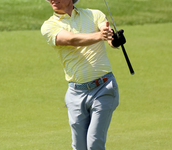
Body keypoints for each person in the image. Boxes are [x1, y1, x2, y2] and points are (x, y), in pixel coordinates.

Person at [41, 0, 126, 149]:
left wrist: (114, 40)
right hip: (75, 93)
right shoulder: (49, 26)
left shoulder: (94, 14)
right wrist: (100, 36)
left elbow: (107, 36)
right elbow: (71, 40)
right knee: (79, 146)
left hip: (103, 88)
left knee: (94, 144)